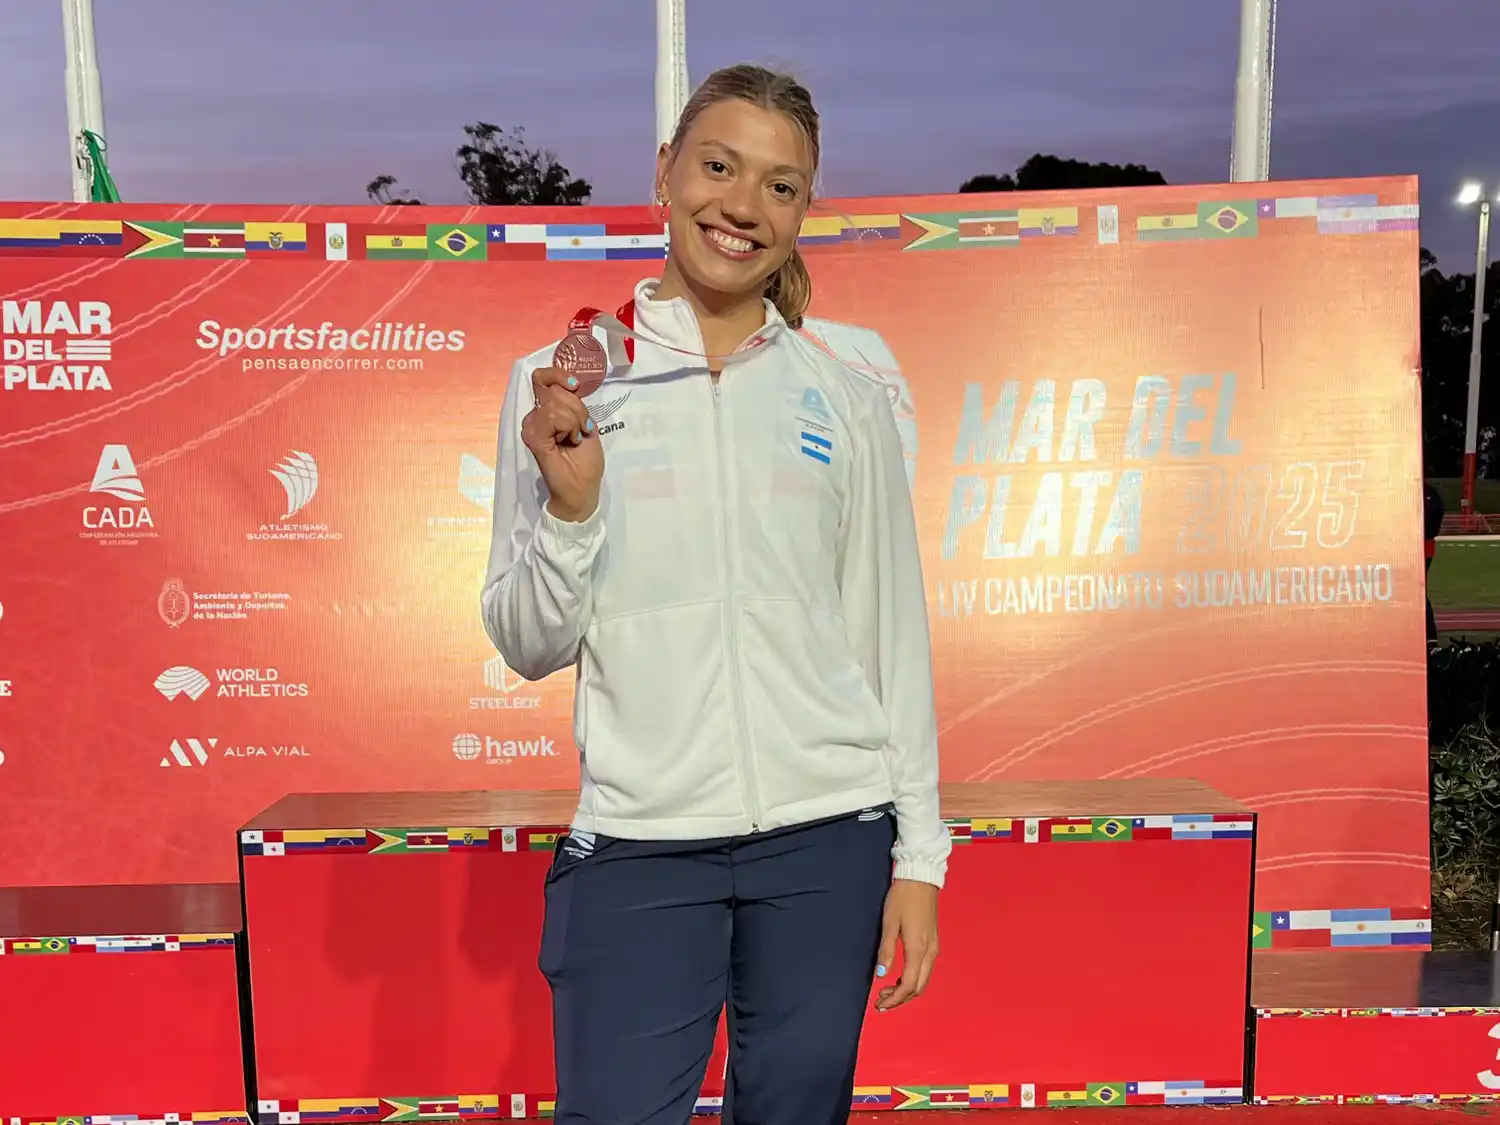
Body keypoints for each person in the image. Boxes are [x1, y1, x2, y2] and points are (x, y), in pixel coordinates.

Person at [481, 63, 948, 1125]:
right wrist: (571, 511)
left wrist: (920, 857)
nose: (742, 206)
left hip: (829, 841)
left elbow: (891, 636)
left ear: (803, 213)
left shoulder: (846, 393)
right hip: (642, 848)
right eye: (720, 166)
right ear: (664, 174)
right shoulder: (563, 384)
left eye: (781, 187)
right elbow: (525, 641)